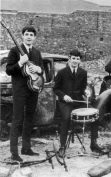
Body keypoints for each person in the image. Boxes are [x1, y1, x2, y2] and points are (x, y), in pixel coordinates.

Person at [53, 49, 103, 155]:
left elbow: (83, 87)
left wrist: (86, 92)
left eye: (77, 59)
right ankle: (62, 146)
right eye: (73, 58)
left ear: (80, 61)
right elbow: (56, 89)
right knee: (66, 118)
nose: (75, 61)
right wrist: (64, 96)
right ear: (69, 59)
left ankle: (93, 143)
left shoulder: (83, 72)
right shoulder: (62, 72)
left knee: (95, 114)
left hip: (78, 100)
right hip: (65, 102)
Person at [6, 26, 43, 162]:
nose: (29, 37)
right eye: (26, 34)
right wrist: (20, 63)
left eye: (31, 35)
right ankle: (14, 153)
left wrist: (38, 68)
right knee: (17, 120)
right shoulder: (14, 51)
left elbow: (42, 70)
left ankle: (26, 148)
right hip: (20, 91)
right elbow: (9, 70)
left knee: (29, 119)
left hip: (33, 89)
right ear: (22, 36)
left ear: (34, 37)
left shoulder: (37, 52)